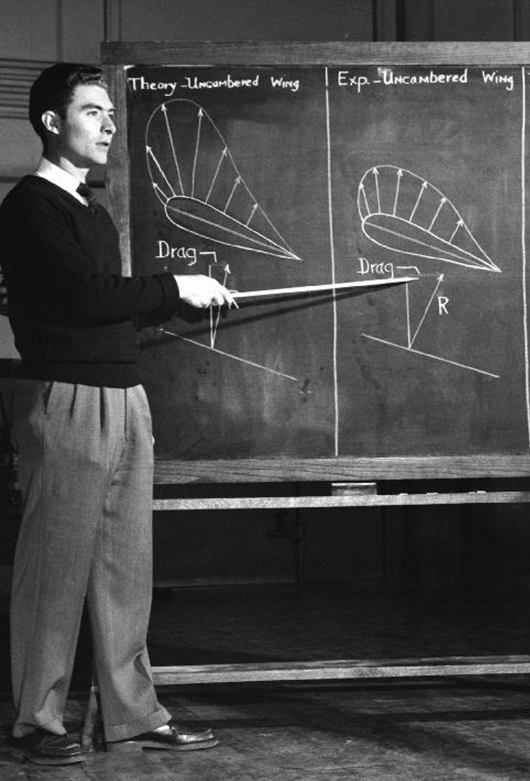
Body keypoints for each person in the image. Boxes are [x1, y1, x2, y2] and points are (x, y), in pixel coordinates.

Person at [0, 63, 237, 766]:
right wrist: (175, 287)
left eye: (110, 112)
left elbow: (104, 299)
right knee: (54, 569)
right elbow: (87, 296)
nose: (109, 125)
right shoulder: (29, 210)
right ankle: (37, 721)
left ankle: (133, 714)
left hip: (123, 395)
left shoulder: (91, 211)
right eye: (93, 111)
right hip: (66, 399)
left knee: (124, 570)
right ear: (51, 121)